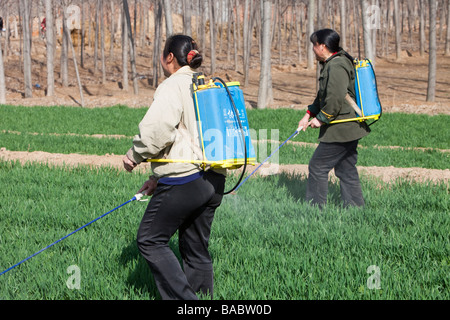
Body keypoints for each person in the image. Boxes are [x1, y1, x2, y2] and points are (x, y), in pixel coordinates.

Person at [122, 34, 226, 300]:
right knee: (195, 248)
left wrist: (135, 156)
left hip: (186, 180)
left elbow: (157, 131)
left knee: (150, 239)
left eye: (162, 54)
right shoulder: (208, 84)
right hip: (214, 179)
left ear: (170, 58)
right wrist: (157, 178)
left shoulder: (173, 85)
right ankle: (202, 299)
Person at [298, 29, 371, 208]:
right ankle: (355, 208)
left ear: (322, 47)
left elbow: (335, 98)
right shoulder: (332, 62)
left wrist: (321, 119)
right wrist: (308, 115)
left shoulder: (337, 65)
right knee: (346, 169)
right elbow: (323, 95)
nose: (313, 50)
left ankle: (315, 210)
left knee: (317, 167)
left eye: (314, 46)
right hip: (346, 127)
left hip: (341, 128)